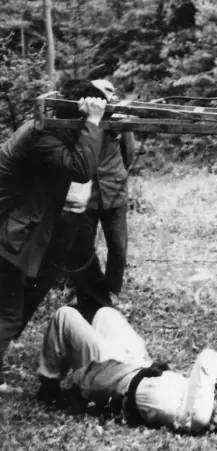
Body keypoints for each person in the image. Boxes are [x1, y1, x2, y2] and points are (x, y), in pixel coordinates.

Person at [0, 79, 107, 394]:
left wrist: (95, 122)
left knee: (9, 308)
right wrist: (93, 121)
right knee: (9, 313)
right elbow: (82, 169)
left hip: (13, 229)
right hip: (8, 234)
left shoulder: (46, 129)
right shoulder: (43, 137)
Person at [36, 306, 217, 433]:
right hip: (139, 365)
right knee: (105, 315)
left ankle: (50, 386)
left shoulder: (203, 414)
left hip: (111, 376)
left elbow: (207, 358)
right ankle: (79, 353)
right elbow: (215, 371)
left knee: (64, 316)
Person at [74, 79, 136, 304]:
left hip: (114, 191)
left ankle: (112, 290)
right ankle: (87, 292)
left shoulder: (120, 120)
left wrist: (118, 176)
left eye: (110, 92)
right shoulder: (81, 118)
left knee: (118, 246)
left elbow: (128, 154)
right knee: (84, 246)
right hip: (87, 194)